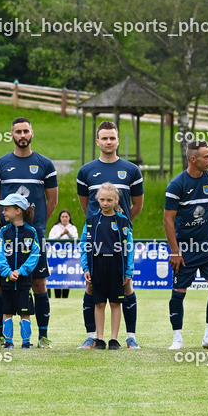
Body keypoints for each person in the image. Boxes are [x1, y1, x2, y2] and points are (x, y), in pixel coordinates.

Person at [0, 117, 58, 347]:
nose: (22, 135)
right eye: (18, 131)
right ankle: (2, 335)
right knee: (3, 282)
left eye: (26, 131)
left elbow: (52, 200)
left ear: (32, 133)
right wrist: (10, 224)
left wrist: (35, 225)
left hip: (34, 233)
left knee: (39, 284)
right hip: (8, 235)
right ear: (11, 134)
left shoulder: (45, 164)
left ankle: (43, 336)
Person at [76, 121, 144, 343]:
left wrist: (119, 224)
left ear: (117, 140)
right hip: (95, 239)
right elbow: (85, 206)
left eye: (112, 138)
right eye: (104, 138)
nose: (108, 141)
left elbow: (138, 205)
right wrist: (99, 225)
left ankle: (130, 337)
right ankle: (91, 337)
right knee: (91, 287)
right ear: (97, 142)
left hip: (119, 240)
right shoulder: (86, 171)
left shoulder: (132, 170)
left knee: (126, 285)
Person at [162, 140, 208, 351]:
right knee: (179, 291)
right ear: (193, 159)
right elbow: (168, 220)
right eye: (206, 156)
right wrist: (175, 251)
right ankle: (177, 338)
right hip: (185, 249)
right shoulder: (177, 185)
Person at [79, 184, 134, 350]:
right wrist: (86, 267)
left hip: (117, 264)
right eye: (102, 199)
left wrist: (128, 270)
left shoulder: (123, 221)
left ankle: (114, 339)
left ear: (116, 200)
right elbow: (84, 245)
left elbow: (129, 246)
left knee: (116, 303)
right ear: (97, 199)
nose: (105, 203)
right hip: (97, 264)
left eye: (109, 200)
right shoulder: (91, 221)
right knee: (99, 303)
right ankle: (100, 338)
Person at [0, 193, 41, 348]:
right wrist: (8, 272)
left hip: (23, 280)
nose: (3, 212)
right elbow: (0, 254)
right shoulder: (3, 231)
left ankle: (26, 343)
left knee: (25, 312)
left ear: (18, 210)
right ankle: (8, 342)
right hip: (6, 280)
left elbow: (34, 254)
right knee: (6, 311)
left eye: (6, 209)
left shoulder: (31, 232)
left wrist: (21, 271)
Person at [48, 209, 78, 299]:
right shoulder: (55, 228)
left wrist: (68, 233)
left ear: (69, 218)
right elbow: (51, 239)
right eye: (62, 217)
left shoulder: (72, 228)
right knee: (57, 276)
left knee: (66, 278)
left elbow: (75, 239)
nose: (64, 218)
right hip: (56, 256)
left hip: (68, 256)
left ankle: (65, 297)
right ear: (60, 218)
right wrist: (61, 234)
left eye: (66, 217)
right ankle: (57, 297)